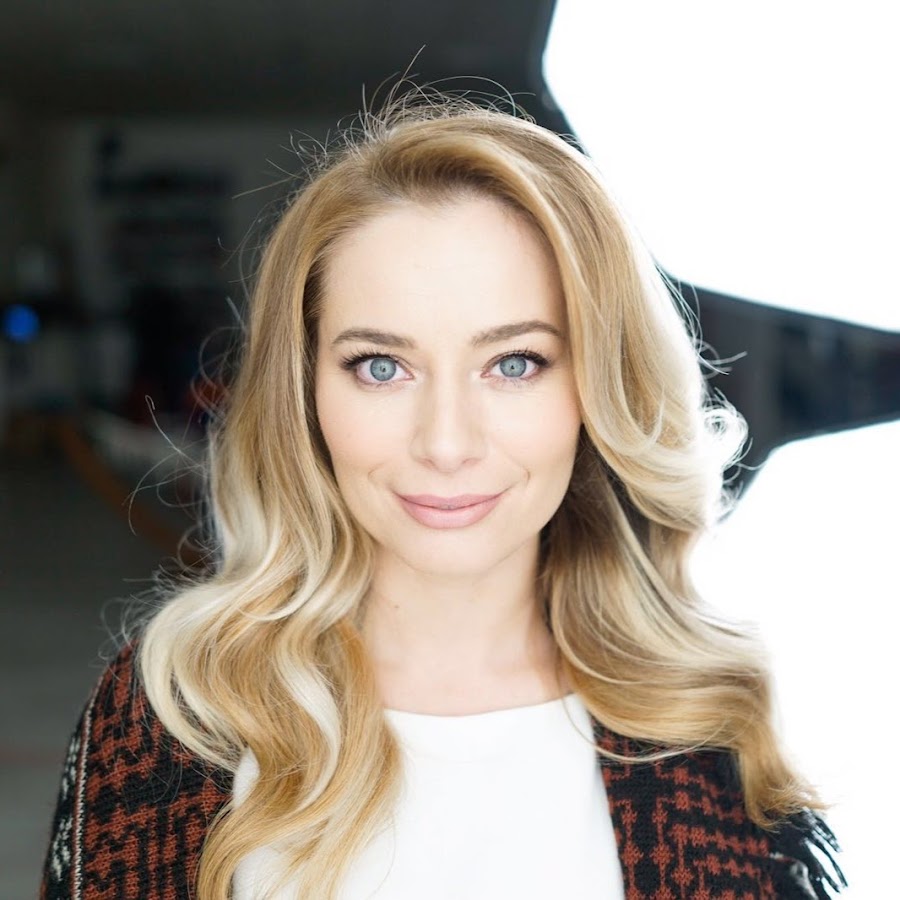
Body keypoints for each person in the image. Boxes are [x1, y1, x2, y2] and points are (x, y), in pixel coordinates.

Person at [41, 90, 845, 900]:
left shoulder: (708, 723)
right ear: (305, 393)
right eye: (381, 367)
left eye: (515, 364)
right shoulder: (176, 713)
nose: (447, 443)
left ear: (600, 386)